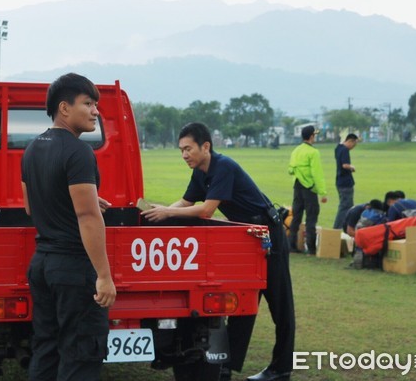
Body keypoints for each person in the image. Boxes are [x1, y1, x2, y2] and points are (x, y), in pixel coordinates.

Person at [141, 122, 295, 381]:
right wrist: (157, 213)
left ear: (206, 147)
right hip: (248, 238)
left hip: (270, 236)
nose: (184, 155)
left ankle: (281, 369)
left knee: (280, 306)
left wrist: (168, 212)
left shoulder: (223, 166)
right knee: (242, 305)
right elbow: (186, 201)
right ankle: (226, 368)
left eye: (188, 149)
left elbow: (205, 211)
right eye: (181, 150)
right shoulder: (200, 171)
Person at [21, 73, 117, 381]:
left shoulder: (32, 148)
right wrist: (104, 276)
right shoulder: (79, 151)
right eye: (88, 104)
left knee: (46, 349)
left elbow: (30, 206)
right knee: (81, 354)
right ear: (64, 108)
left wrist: (84, 199)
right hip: (73, 269)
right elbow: (87, 217)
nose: (95, 111)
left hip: (43, 265)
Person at [287, 125, 327, 255]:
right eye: (314, 135)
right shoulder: (313, 152)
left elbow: (290, 169)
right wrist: (322, 192)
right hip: (309, 187)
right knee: (311, 217)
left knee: (296, 216)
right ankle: (311, 248)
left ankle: (291, 246)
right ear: (311, 136)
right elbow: (317, 173)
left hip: (297, 185)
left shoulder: (296, 150)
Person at [332, 133, 359, 229]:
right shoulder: (345, 150)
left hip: (339, 181)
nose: (353, 147)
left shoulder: (338, 148)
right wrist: (352, 167)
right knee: (345, 207)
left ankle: (345, 226)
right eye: (354, 144)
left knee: (346, 206)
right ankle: (337, 227)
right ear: (350, 141)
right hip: (346, 183)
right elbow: (345, 165)